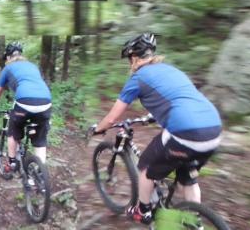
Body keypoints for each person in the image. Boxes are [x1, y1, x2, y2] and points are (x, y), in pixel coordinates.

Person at [90, 34, 223, 224]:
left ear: (135, 58)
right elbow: (180, 98)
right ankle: (194, 222)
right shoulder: (171, 70)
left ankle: (143, 211)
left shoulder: (137, 78)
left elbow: (112, 117)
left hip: (186, 132)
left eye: (129, 59)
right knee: (188, 178)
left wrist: (98, 129)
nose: (130, 64)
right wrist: (155, 116)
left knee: (145, 166)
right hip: (213, 129)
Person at [0, 42, 53, 176]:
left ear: (8, 57)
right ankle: (40, 173)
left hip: (25, 102)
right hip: (46, 102)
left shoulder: (8, 68)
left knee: (13, 132)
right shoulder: (33, 66)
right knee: (40, 141)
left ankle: (12, 163)